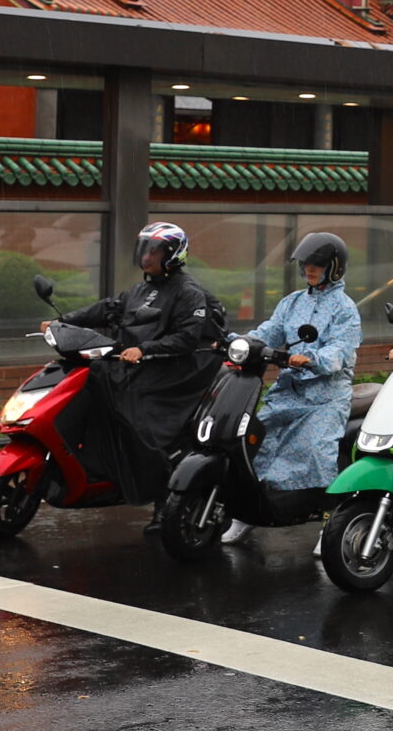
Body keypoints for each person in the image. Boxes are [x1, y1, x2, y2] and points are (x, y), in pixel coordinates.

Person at [50, 221, 228, 508]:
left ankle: (158, 488)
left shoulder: (188, 291)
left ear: (172, 254)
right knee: (92, 379)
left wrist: (144, 349)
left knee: (136, 412)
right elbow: (109, 308)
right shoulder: (139, 290)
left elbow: (186, 338)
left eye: (154, 251)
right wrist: (65, 321)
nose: (146, 257)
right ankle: (96, 467)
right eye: (144, 250)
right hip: (139, 363)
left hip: (175, 370)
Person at [224, 231, 362, 543]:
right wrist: (238, 340)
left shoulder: (345, 308)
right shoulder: (292, 302)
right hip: (288, 390)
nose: (309, 269)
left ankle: (331, 525)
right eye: (305, 264)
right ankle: (246, 514)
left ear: (334, 267)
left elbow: (339, 351)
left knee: (317, 453)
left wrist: (311, 359)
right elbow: (268, 332)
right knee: (255, 444)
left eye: (317, 264)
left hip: (326, 398)